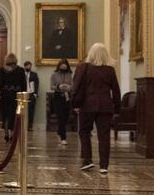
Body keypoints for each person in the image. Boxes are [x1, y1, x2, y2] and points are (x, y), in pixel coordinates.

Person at [71, 43, 120, 173]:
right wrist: (117, 109)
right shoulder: (110, 70)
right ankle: (104, 165)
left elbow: (76, 86)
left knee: (85, 132)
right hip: (105, 106)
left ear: (91, 54)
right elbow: (116, 91)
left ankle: (87, 160)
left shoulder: (84, 68)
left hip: (87, 105)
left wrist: (75, 104)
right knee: (104, 136)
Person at [0, 53, 27, 141]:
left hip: (5, 96)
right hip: (16, 96)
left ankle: (6, 134)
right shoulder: (20, 70)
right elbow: (24, 84)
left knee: (6, 116)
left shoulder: (2, 70)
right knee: (15, 115)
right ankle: (13, 134)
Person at [50, 58, 73, 145]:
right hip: (57, 97)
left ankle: (59, 132)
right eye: (61, 67)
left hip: (67, 97)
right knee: (61, 118)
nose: (63, 69)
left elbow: (73, 85)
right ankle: (63, 138)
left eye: (65, 67)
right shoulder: (54, 74)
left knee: (66, 117)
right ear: (59, 66)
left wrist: (68, 87)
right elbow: (51, 86)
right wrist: (59, 86)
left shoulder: (69, 74)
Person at [23, 61, 40, 131]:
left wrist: (35, 94)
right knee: (23, 111)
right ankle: (23, 125)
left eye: (29, 66)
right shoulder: (22, 74)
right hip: (24, 94)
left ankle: (30, 126)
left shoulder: (34, 74)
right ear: (24, 66)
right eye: (27, 66)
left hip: (31, 94)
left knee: (31, 111)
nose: (28, 67)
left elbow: (37, 84)